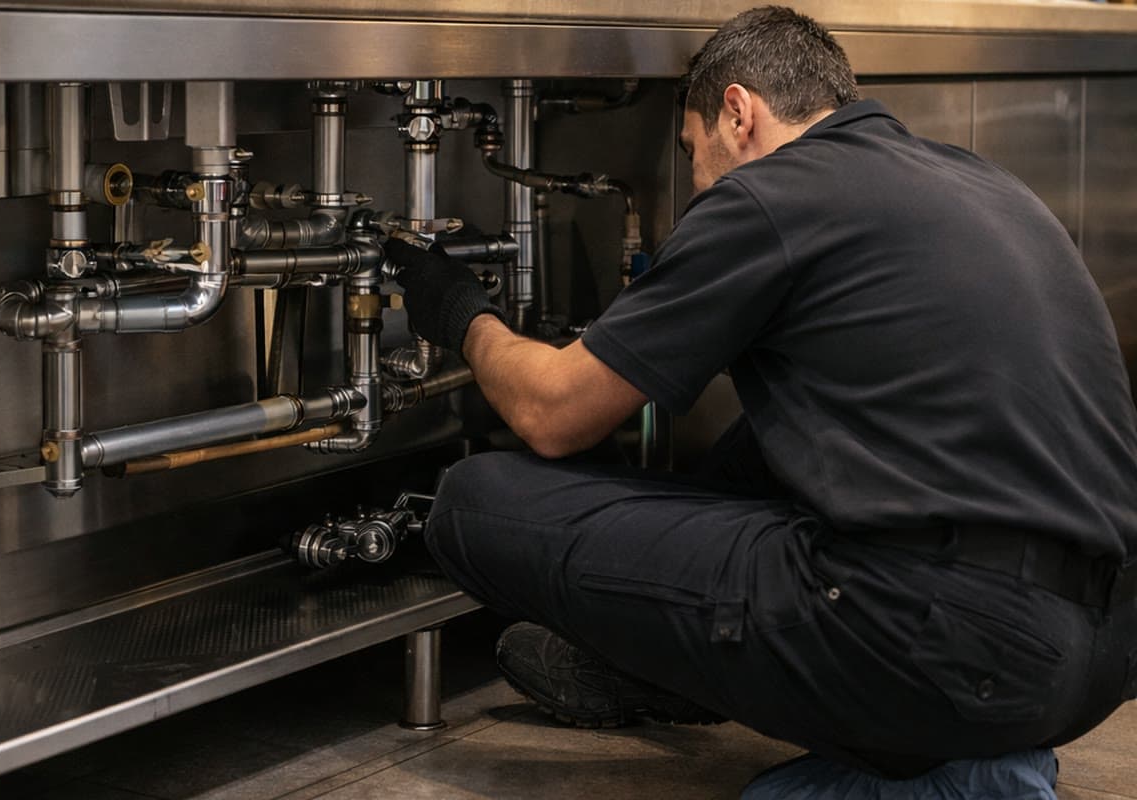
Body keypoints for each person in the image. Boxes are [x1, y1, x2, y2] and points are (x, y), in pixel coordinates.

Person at [383, 5, 1137, 796]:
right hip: (1100, 652)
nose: (696, 182)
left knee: (476, 504)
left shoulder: (773, 194)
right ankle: (947, 730)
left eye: (692, 152)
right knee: (759, 445)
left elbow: (552, 413)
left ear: (737, 112)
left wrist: (461, 309)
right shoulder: (977, 180)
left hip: (955, 646)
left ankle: (942, 764)